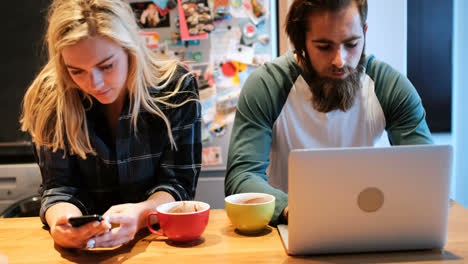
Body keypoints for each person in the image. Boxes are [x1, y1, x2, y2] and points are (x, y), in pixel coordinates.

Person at [225, 0, 433, 226]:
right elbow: (242, 178)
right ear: (300, 41)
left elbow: (427, 174)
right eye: (324, 47)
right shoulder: (267, 86)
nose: (340, 61)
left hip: (369, 226)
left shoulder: (389, 86)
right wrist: (294, 210)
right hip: (291, 226)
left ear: (364, 32)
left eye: (351, 44)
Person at [20, 0, 201, 249]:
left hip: (158, 242)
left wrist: (141, 214)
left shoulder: (176, 88)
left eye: (106, 66)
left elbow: (179, 183)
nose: (94, 84)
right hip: (85, 249)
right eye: (76, 71)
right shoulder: (50, 98)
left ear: (130, 51)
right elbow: (59, 187)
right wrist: (59, 221)